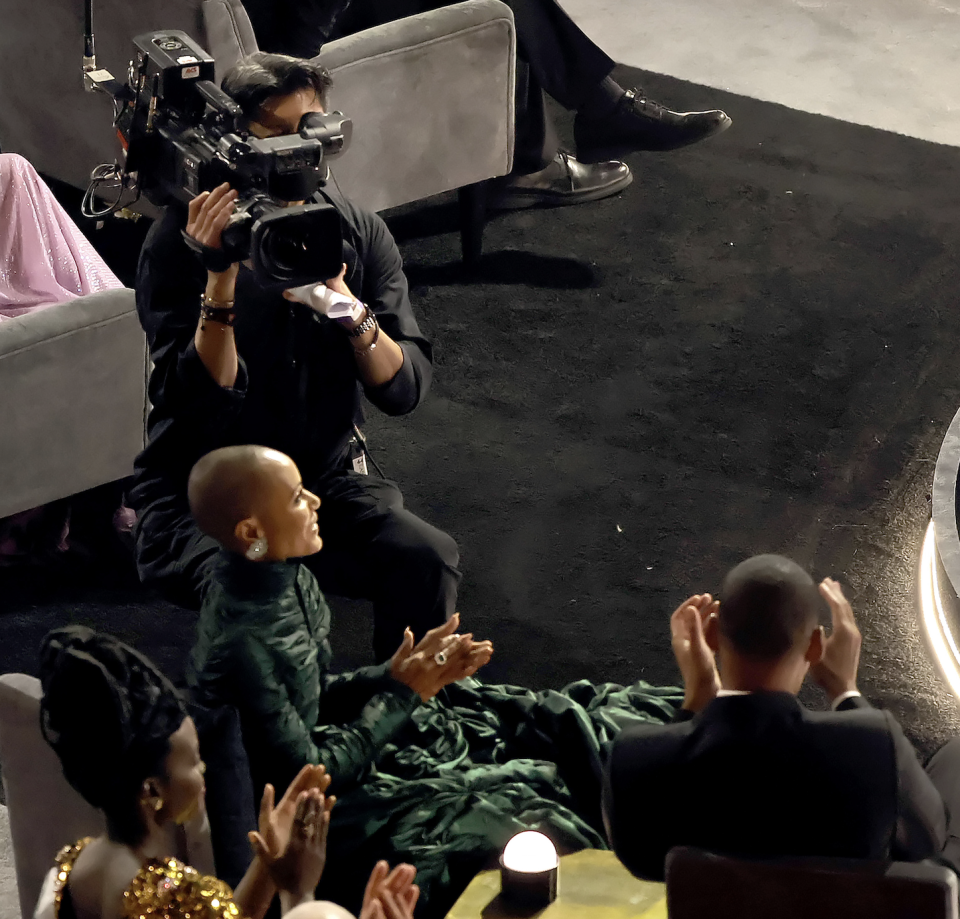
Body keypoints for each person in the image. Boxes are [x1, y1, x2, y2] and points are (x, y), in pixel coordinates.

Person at [184, 444, 683, 918]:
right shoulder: (243, 641)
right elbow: (309, 773)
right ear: (252, 532)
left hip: (338, 750)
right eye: (297, 497)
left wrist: (392, 674)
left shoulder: (288, 576)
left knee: (529, 719)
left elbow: (309, 696)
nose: (316, 501)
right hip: (308, 807)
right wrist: (403, 694)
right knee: (519, 810)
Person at [129, 53, 459, 662]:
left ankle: (408, 719)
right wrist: (220, 279)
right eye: (275, 136)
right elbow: (199, 407)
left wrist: (345, 309)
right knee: (266, 594)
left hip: (318, 480)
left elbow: (403, 389)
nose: (296, 154)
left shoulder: (354, 230)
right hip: (205, 490)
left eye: (309, 133)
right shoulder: (179, 242)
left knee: (426, 559)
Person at [602, 554, 960, 881]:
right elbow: (929, 838)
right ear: (816, 647)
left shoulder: (635, 761)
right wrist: (846, 692)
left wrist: (696, 699)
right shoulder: (874, 748)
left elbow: (644, 861)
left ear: (712, 636)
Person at [34, 626, 422, 919]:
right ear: (152, 790)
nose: (204, 773)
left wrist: (268, 868)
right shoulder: (178, 895)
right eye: (193, 763)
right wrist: (299, 893)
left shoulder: (72, 867)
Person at [240, 0, 732, 208]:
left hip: (271, 27)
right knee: (496, 6)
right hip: (297, 51)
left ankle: (570, 132)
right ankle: (565, 137)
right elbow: (297, 35)